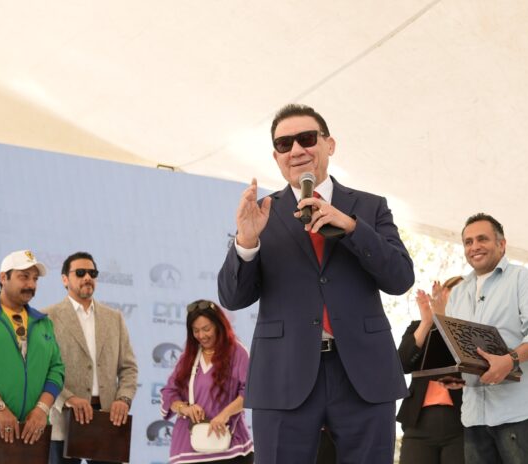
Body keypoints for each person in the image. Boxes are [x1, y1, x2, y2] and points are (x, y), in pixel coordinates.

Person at [217, 103, 415, 464]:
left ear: (329, 144)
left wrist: (352, 228)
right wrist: (246, 242)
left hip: (363, 372)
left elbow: (400, 278)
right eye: (284, 144)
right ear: (276, 157)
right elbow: (232, 297)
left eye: (306, 139)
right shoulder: (260, 213)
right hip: (283, 372)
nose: (296, 150)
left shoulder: (369, 207)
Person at [444, 213, 528, 464]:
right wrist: (454, 374)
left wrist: (510, 360)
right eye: (468, 242)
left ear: (502, 244)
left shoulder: (523, 279)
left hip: (520, 413)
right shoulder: (458, 293)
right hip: (474, 416)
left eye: (482, 239)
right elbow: (456, 347)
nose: (474, 246)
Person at [42, 252, 138, 464]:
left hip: (108, 419)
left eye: (92, 273)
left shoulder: (114, 318)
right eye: (80, 273)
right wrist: (67, 398)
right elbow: (41, 371)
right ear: (65, 279)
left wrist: (123, 399)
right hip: (63, 418)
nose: (87, 277)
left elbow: (129, 368)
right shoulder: (47, 318)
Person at [161, 299, 253, 464]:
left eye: (206, 329)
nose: (201, 336)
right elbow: (169, 393)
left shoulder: (237, 352)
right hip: (188, 451)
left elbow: (250, 391)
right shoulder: (188, 357)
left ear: (219, 325)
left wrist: (224, 415)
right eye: (196, 330)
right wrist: (184, 408)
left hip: (230, 448)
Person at [0, 250, 64, 446]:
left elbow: (56, 369)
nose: (31, 285)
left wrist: (42, 409)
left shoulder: (43, 323)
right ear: (3, 278)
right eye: (24, 277)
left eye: (35, 279)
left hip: (33, 435)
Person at [397, 276, 465, 464]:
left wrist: (442, 319)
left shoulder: (470, 331)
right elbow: (402, 364)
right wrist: (427, 322)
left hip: (461, 424)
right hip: (418, 422)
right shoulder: (417, 327)